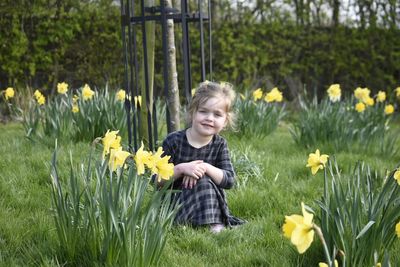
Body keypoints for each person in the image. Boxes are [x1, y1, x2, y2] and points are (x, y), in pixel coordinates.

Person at [160, 81, 246, 233]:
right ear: (192, 112)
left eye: (217, 114)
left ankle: (214, 224)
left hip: (209, 201)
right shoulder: (173, 141)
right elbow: (156, 180)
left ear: (225, 121)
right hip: (177, 201)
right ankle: (184, 222)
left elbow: (229, 180)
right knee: (200, 181)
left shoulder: (219, 144)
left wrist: (204, 168)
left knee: (205, 180)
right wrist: (181, 169)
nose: (209, 118)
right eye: (203, 111)